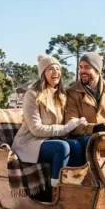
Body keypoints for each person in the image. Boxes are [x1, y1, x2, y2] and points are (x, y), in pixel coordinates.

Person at [12, 54, 88, 188]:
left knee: (76, 144)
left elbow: (67, 123)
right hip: (31, 142)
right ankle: (55, 189)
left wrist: (78, 122)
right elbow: (36, 129)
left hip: (53, 138)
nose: (56, 72)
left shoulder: (62, 95)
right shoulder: (32, 95)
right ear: (43, 73)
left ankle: (74, 186)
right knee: (61, 147)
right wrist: (66, 128)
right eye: (50, 69)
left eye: (58, 69)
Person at [65, 52, 105, 158]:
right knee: (94, 143)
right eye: (80, 67)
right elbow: (71, 124)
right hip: (84, 137)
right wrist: (94, 128)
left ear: (97, 69)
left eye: (87, 67)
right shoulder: (72, 92)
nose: (82, 71)